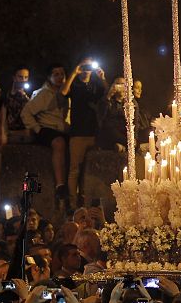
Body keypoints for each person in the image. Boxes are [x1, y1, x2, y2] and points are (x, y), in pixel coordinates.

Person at [62, 57, 108, 209]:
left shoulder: (96, 85)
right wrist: (74, 73)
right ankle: (73, 202)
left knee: (89, 169)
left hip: (93, 132)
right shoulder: (75, 85)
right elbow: (63, 92)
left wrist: (102, 78)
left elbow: (107, 95)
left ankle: (86, 200)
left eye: (90, 65)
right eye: (85, 65)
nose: (88, 68)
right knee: (74, 169)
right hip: (77, 133)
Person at [21, 63, 70, 206]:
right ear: (49, 77)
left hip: (62, 128)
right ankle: (60, 185)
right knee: (59, 143)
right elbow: (26, 113)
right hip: (47, 128)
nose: (60, 77)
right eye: (56, 74)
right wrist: (37, 129)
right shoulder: (43, 94)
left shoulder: (66, 93)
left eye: (62, 74)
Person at [96, 78, 129, 152]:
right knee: (109, 129)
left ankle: (123, 146)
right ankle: (127, 144)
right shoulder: (108, 100)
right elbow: (101, 116)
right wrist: (109, 95)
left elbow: (135, 120)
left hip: (124, 131)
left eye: (123, 84)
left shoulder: (129, 101)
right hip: (111, 132)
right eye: (118, 84)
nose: (121, 87)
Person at [6, 65, 32, 143]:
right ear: (14, 78)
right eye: (20, 77)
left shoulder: (30, 93)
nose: (23, 80)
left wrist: (24, 96)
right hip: (10, 127)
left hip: (24, 129)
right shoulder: (6, 94)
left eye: (26, 77)